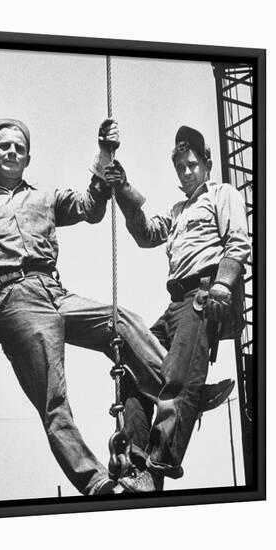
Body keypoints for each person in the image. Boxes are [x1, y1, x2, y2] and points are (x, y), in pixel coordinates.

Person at [0, 118, 171, 496]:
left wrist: (104, 152)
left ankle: (179, 391)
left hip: (55, 290)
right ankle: (97, 484)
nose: (10, 152)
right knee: (54, 401)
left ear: (28, 158)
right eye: (3, 146)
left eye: (18, 148)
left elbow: (91, 208)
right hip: (13, 300)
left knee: (119, 320)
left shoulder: (45, 197)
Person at [98, 124, 251, 491]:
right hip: (174, 304)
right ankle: (134, 461)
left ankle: (159, 464)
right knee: (134, 369)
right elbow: (146, 234)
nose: (186, 172)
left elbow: (238, 244)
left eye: (192, 165)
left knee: (178, 379)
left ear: (207, 163)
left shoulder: (223, 194)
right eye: (180, 167)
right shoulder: (178, 209)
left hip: (204, 296)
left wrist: (221, 284)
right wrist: (121, 189)